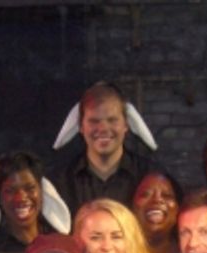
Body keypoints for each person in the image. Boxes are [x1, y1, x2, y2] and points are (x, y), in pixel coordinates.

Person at [50, 81, 156, 211]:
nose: (103, 128)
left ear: (126, 124)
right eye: (94, 121)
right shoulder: (60, 182)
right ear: (81, 126)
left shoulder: (150, 177)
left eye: (112, 120)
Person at [131, 170, 185, 253]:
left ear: (178, 208)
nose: (157, 200)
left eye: (167, 196)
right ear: (132, 205)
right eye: (145, 195)